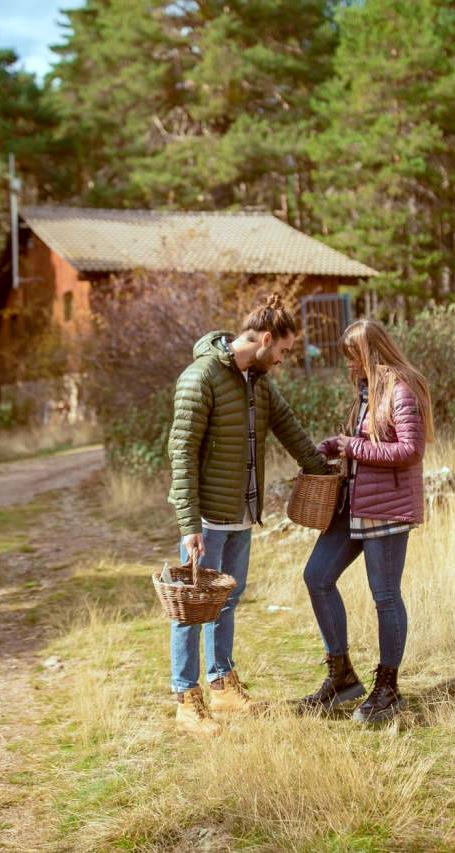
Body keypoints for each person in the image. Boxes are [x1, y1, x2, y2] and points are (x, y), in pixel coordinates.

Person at [168, 293, 329, 735]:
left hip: (242, 515)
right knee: (192, 607)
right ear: (263, 338)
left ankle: (221, 684)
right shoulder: (200, 377)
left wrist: (325, 471)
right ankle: (186, 697)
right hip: (206, 519)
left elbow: (291, 430)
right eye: (281, 350)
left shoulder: (257, 383)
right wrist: (189, 525)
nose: (281, 360)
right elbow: (180, 452)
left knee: (228, 601)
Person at [299, 318, 433, 723]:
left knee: (385, 596)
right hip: (353, 505)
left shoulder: (401, 389)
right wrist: (335, 448)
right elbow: (364, 443)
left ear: (369, 353)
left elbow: (410, 450)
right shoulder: (366, 393)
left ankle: (388, 689)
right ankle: (342, 677)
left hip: (387, 508)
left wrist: (352, 446)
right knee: (317, 576)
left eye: (352, 357)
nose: (347, 365)